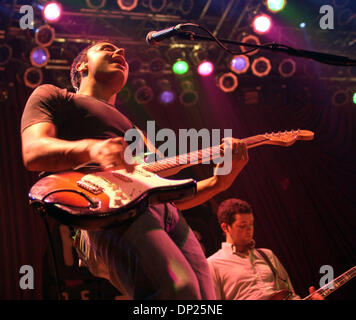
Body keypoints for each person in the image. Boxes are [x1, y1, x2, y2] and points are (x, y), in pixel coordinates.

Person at [20, 40, 249, 299]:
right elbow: (33, 151)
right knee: (177, 291)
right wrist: (92, 150)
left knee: (205, 299)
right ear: (82, 65)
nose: (120, 52)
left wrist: (219, 183)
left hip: (163, 214)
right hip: (103, 211)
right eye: (107, 48)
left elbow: (159, 189)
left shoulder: (133, 129)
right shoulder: (54, 96)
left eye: (121, 51)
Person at [207, 198, 323, 300]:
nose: (249, 230)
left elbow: (289, 294)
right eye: (242, 226)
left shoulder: (267, 255)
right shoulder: (213, 264)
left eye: (251, 224)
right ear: (225, 227)